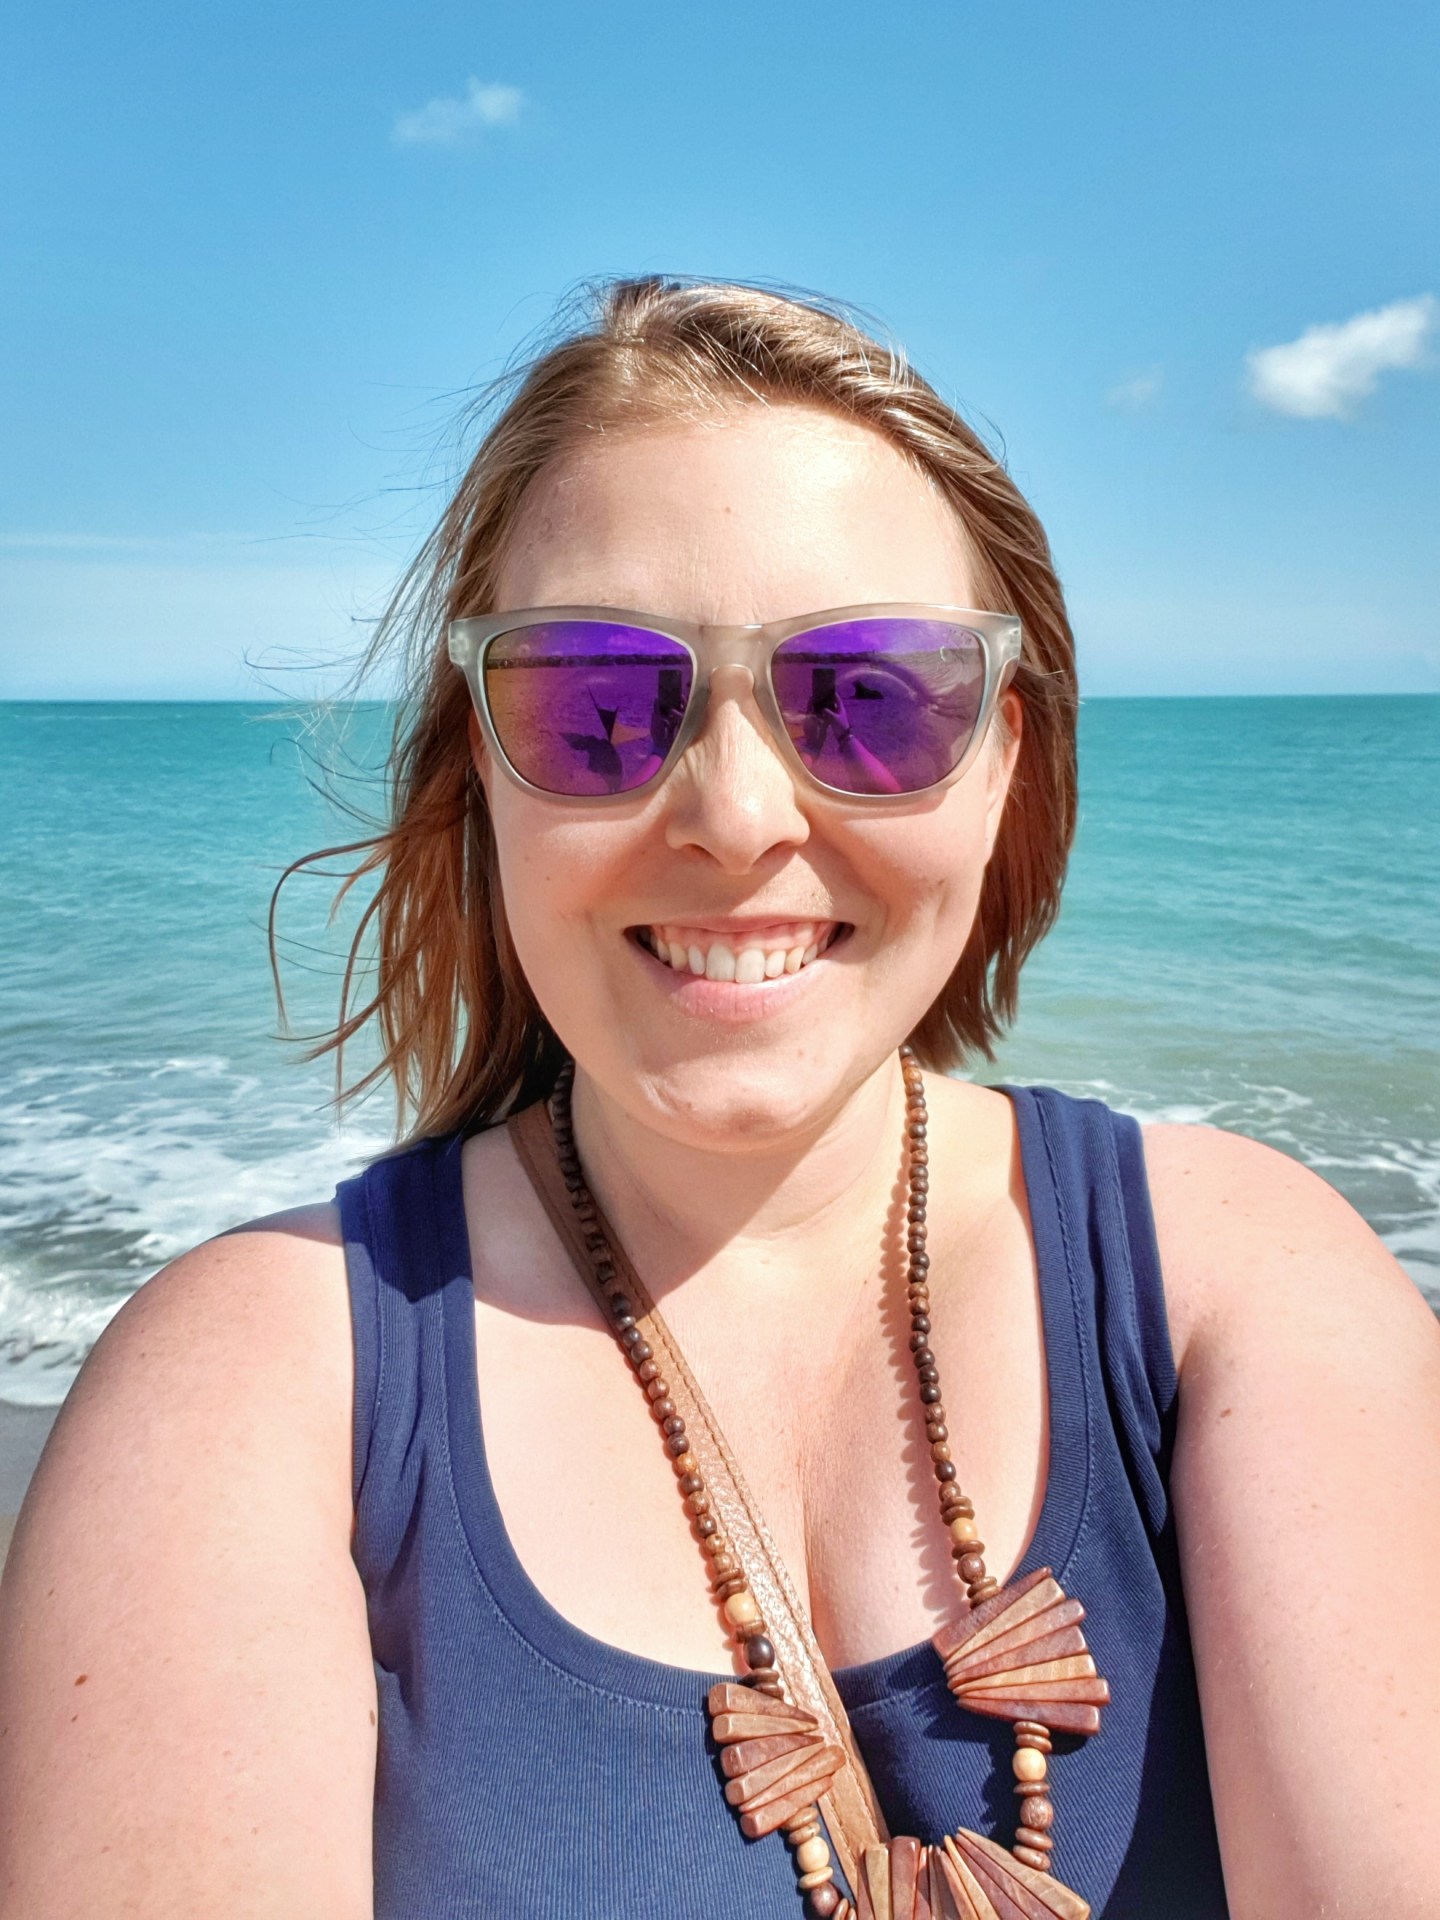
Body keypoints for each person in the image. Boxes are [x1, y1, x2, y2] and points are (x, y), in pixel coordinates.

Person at [1, 278, 1436, 1920]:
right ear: (482, 769)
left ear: (1007, 760)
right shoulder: (256, 1390)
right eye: (597, 702)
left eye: (872, 699)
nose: (739, 813)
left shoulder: (1240, 1292)